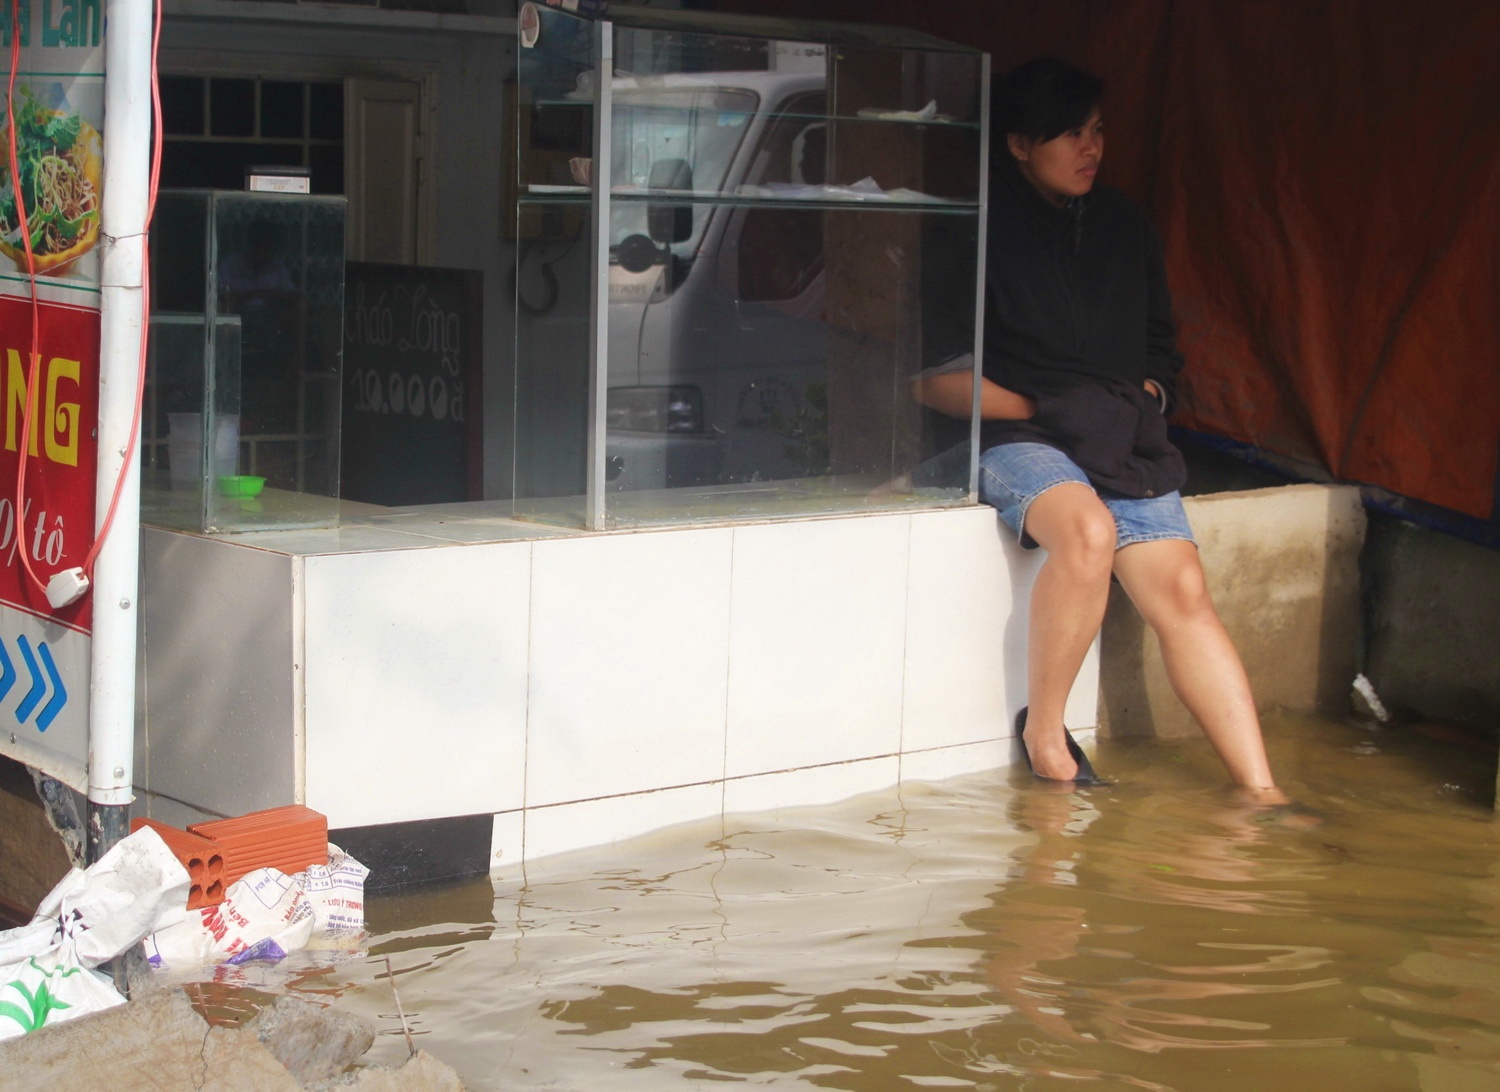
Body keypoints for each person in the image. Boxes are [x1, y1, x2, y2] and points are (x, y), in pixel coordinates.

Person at [915, 57, 1290, 804]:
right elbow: (931, 380)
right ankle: (1046, 736)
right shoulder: (970, 228)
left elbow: (1160, 350)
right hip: (1014, 437)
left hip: (1121, 436)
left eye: (1097, 131)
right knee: (1087, 532)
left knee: (1182, 586)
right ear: (1019, 144)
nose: (1091, 148)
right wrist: (1048, 407)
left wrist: (1141, 397)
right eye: (1070, 134)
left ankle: (1263, 794)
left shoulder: (1124, 223)